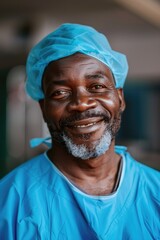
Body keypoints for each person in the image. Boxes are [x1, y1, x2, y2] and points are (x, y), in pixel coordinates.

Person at [0, 23, 159, 240]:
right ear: (43, 108)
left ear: (120, 98)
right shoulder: (9, 202)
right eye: (60, 92)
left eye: (97, 87)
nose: (82, 104)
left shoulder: (155, 192)